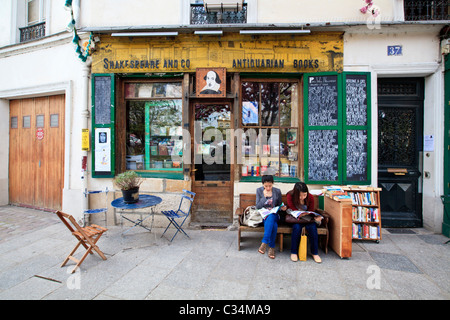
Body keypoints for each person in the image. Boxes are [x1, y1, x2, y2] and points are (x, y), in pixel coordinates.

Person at [286, 182, 323, 263]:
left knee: (312, 228)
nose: (302, 197)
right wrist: (300, 213)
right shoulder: (290, 195)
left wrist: (308, 214)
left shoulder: (310, 197)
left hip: (307, 219)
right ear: (295, 193)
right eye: (299, 195)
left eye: (304, 195)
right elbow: (292, 208)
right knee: (297, 228)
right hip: (296, 219)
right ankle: (294, 252)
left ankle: (315, 253)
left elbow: (311, 210)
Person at [256, 175, 286, 259]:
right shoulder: (259, 191)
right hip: (264, 215)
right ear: (263, 185)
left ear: (273, 184)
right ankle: (271, 248)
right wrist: (264, 197)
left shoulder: (277, 191)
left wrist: (282, 207)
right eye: (266, 186)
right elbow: (258, 206)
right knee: (274, 225)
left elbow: (279, 204)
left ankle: (264, 242)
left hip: (275, 214)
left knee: (272, 216)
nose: (268, 188)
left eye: (270, 185)